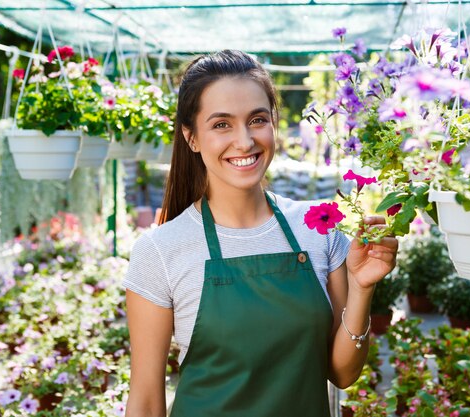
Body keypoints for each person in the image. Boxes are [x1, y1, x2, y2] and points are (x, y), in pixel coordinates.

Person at [123, 49, 398, 417]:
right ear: (191, 138)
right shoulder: (161, 250)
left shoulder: (316, 228)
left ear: (273, 122)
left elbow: (343, 373)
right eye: (222, 124)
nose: (245, 141)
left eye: (256, 119)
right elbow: (145, 402)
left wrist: (362, 288)